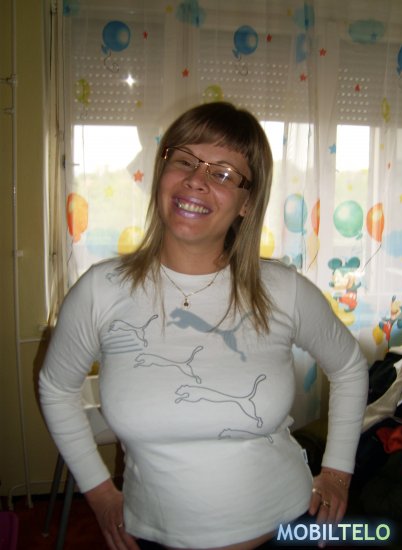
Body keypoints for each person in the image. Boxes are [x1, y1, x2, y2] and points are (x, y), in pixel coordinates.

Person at [39, 101, 368, 550]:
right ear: (162, 171)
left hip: (288, 527)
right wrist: (98, 492)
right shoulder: (102, 290)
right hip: (156, 538)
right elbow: (56, 388)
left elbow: (349, 366)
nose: (197, 179)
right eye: (185, 160)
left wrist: (337, 472)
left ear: (247, 203)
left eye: (224, 174)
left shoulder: (282, 290)